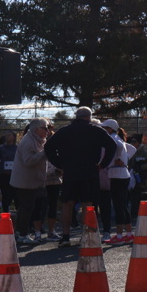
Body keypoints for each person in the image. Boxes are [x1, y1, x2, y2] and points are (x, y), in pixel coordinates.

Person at [44, 106, 117, 247]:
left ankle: (65, 236)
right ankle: (86, 235)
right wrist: (103, 164)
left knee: (67, 203)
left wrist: (59, 163)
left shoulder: (64, 131)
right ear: (89, 117)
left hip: (70, 171)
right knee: (87, 204)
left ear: (76, 116)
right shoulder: (96, 131)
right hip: (89, 171)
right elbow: (111, 146)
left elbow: (48, 147)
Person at [10, 118, 49, 245]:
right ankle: (22, 234)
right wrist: (44, 153)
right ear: (36, 129)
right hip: (25, 182)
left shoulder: (37, 140)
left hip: (31, 181)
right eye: (45, 128)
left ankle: (19, 232)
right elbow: (28, 161)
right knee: (26, 208)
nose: (47, 131)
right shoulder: (29, 141)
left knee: (26, 208)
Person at [102, 120, 136, 244]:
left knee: (118, 206)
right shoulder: (118, 138)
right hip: (122, 173)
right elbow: (132, 149)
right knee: (122, 205)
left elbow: (119, 147)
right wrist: (125, 159)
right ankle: (129, 234)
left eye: (105, 128)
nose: (103, 130)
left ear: (110, 129)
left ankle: (119, 235)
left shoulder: (112, 138)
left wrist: (117, 159)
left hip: (117, 174)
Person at [0, 132, 18, 216]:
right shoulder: (1, 148)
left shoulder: (17, 149)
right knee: (5, 194)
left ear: (13, 138)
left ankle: (17, 210)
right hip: (4, 174)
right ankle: (5, 211)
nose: (7, 137)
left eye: (9, 135)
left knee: (14, 193)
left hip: (14, 174)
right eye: (6, 135)